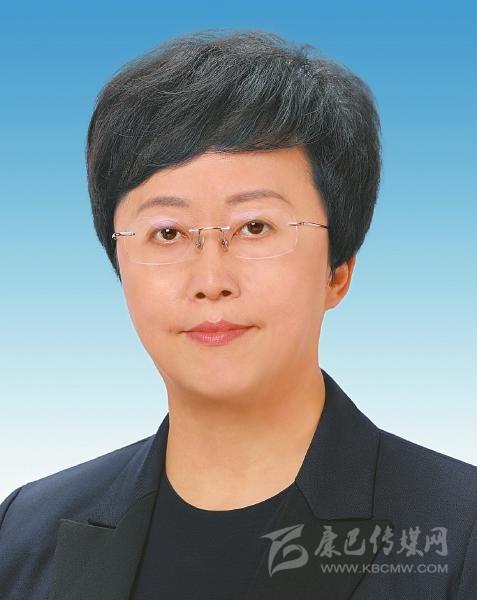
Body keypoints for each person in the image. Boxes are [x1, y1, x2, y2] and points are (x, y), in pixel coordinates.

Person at [0, 28, 476, 600]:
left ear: (338, 268)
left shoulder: (458, 534)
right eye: (168, 233)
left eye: (254, 227)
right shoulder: (26, 532)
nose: (211, 282)